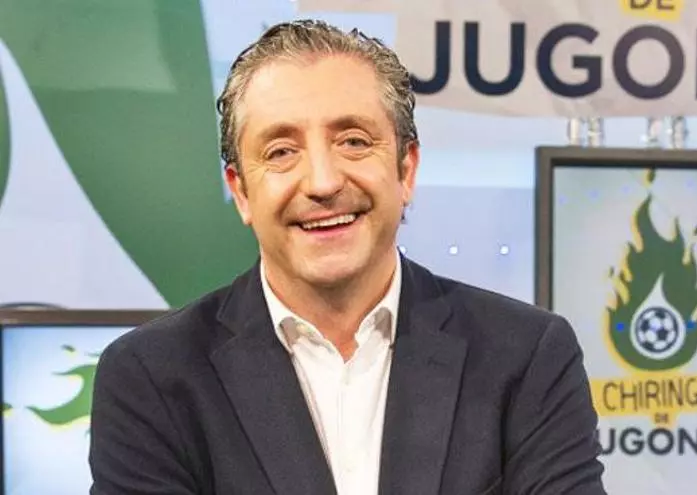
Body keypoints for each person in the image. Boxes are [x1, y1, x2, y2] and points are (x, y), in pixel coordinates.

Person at [88, 19, 607, 495]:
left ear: (406, 170)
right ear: (241, 191)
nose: (322, 182)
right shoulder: (151, 378)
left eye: (354, 141)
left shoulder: (526, 356)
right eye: (281, 152)